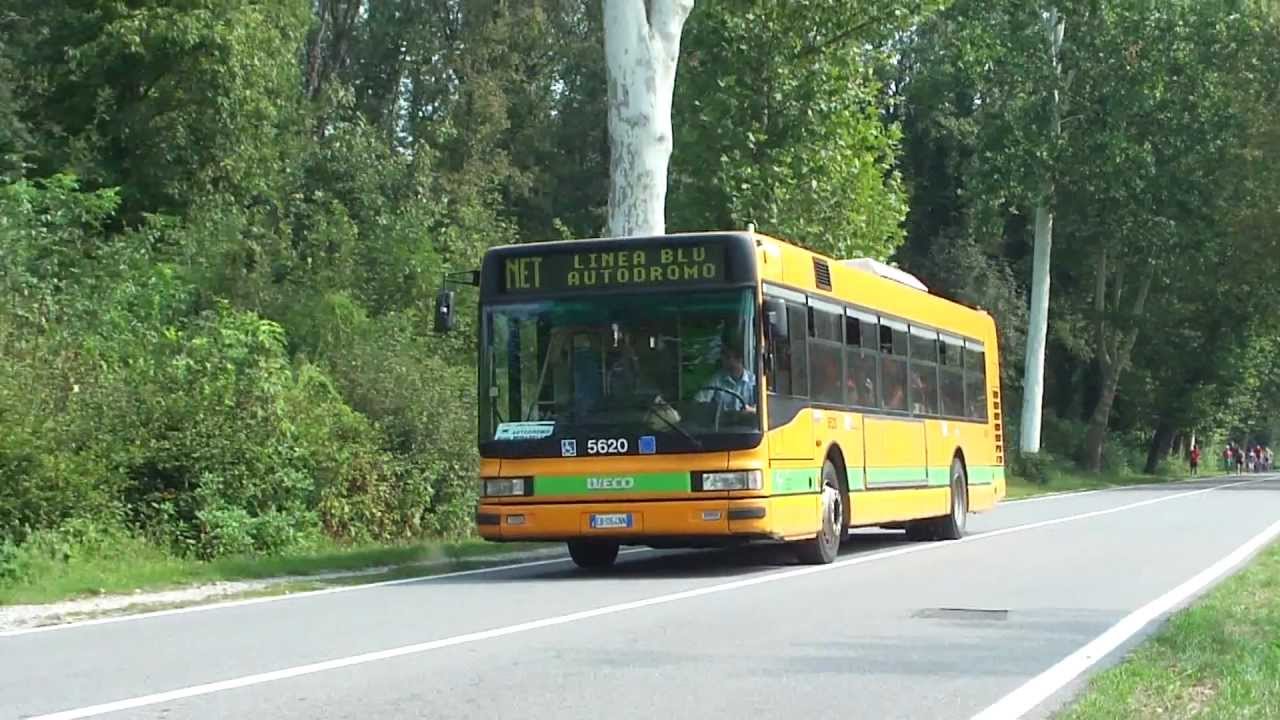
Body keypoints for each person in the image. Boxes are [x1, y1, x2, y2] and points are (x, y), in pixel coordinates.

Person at [695, 344, 757, 413]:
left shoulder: (753, 381)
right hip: (723, 422)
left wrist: (751, 410)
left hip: (747, 422)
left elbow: (763, 409)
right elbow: (698, 401)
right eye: (723, 358)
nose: (724, 362)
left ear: (739, 359)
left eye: (728, 358)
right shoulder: (717, 380)